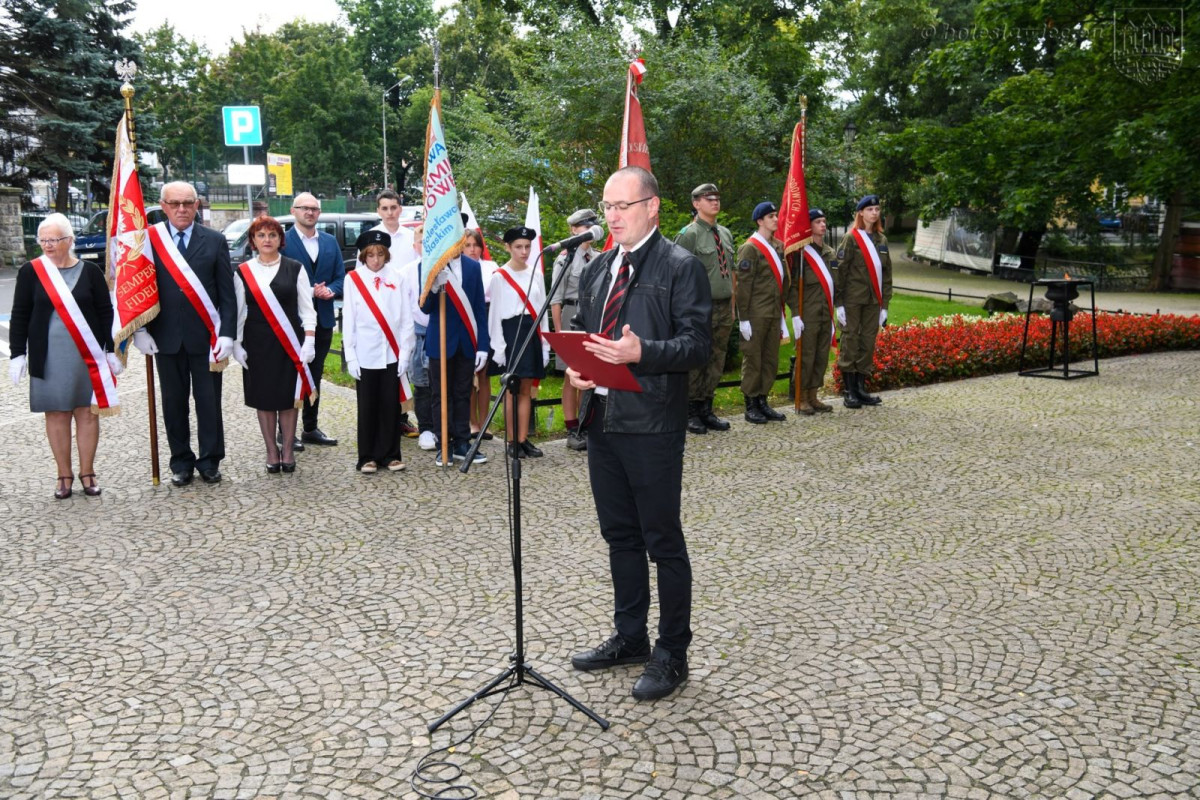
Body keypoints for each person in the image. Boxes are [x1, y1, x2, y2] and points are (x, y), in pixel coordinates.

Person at [566, 166, 711, 701]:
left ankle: (673, 652)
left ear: (653, 207)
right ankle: (631, 637)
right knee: (618, 538)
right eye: (607, 206)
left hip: (652, 424)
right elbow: (586, 336)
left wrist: (642, 352)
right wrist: (577, 368)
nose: (613, 216)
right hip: (601, 421)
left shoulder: (680, 266)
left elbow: (697, 347)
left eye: (623, 206)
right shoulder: (599, 267)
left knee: (662, 542)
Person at [9, 214, 121, 498]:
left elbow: (105, 312)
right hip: (48, 355)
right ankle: (63, 475)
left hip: (86, 355)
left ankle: (87, 472)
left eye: (54, 240)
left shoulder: (90, 271)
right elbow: (20, 313)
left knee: (86, 412)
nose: (47, 245)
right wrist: (17, 353)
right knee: (57, 413)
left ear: (69, 241)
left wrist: (110, 349)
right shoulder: (30, 271)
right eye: (43, 240)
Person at [136, 181, 236, 487]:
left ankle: (210, 460)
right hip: (164, 338)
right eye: (175, 203)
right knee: (173, 403)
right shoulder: (148, 240)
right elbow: (138, 288)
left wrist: (227, 334)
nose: (182, 209)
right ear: (163, 206)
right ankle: (180, 461)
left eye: (188, 203)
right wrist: (140, 329)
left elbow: (226, 293)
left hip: (206, 337)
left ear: (197, 205)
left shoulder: (215, 240)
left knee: (209, 402)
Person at [231, 216, 317, 473]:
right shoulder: (242, 271)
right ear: (253, 241)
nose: (267, 240)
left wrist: (309, 341)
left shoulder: (295, 268)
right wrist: (236, 343)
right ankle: (271, 450)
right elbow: (238, 311)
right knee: (265, 400)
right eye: (261, 235)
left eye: (272, 235)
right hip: (257, 345)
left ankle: (288, 449)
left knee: (289, 399)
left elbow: (307, 310)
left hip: (290, 343)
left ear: (281, 240)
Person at [343, 229, 415, 474]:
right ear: (364, 256)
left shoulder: (397, 277)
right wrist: (350, 355)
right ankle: (367, 456)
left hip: (392, 353)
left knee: (390, 406)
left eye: (380, 254)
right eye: (371, 255)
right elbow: (349, 320)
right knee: (367, 406)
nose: (376, 259)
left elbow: (406, 318)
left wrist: (405, 353)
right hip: (365, 352)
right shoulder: (353, 279)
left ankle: (391, 455)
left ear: (387, 255)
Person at [281, 192, 343, 447]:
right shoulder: (282, 241)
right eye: (304, 208)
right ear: (293, 211)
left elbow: (340, 276)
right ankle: (286, 432)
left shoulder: (329, 242)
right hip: (291, 321)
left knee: (314, 375)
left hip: (324, 320)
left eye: (314, 209)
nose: (309, 212)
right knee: (288, 375)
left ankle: (310, 427)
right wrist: (307, 291)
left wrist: (331, 291)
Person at [419, 246, 491, 466]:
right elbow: (425, 307)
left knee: (462, 393)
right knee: (440, 395)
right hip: (440, 341)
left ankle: (462, 443)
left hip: (467, 341)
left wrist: (483, 345)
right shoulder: (431, 264)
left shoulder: (473, 266)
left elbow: (479, 306)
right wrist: (433, 289)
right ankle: (444, 445)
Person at [674, 183, 734, 435]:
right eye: (708, 199)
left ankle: (706, 408)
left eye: (717, 198)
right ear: (696, 204)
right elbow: (676, 273)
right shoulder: (689, 234)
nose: (715, 202)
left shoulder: (725, 233)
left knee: (716, 358)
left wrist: (733, 306)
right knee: (697, 359)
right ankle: (690, 411)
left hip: (723, 306)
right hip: (698, 308)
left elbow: (730, 272)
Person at [359, 190, 418, 438]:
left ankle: (401, 417)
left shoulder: (409, 237)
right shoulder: (371, 237)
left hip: (406, 307)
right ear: (378, 211)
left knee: (402, 366)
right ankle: (382, 418)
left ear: (400, 209)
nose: (390, 212)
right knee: (382, 365)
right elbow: (361, 275)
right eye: (385, 208)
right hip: (378, 311)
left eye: (394, 207)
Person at [488, 226, 550, 459]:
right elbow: (495, 315)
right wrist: (499, 347)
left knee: (526, 388)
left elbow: (542, 310)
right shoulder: (500, 277)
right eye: (518, 247)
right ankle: (512, 441)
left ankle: (524, 439)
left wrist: (545, 344)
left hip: (531, 332)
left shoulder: (536, 274)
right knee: (511, 390)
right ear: (508, 247)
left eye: (527, 246)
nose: (524, 251)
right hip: (510, 333)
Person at [549, 208, 601, 451]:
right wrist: (559, 335)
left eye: (592, 224)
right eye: (583, 225)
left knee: (589, 375)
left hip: (592, 316)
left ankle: (585, 424)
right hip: (571, 314)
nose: (589, 228)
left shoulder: (598, 256)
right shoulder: (565, 258)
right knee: (572, 376)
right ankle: (572, 428)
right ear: (573, 230)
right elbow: (556, 299)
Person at [835, 195, 893, 408]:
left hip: (873, 301)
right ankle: (849, 390)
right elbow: (840, 271)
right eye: (870, 209)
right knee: (850, 341)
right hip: (852, 300)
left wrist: (884, 305)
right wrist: (838, 303)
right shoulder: (851, 238)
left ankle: (860, 388)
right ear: (861, 213)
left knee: (867, 343)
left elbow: (887, 275)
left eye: (877, 209)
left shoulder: (882, 240)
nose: (874, 213)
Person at [734, 201, 789, 424]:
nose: (776, 219)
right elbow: (743, 287)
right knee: (753, 359)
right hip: (756, 314)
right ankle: (751, 404)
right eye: (771, 216)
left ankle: (763, 401)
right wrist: (743, 318)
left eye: (776, 215)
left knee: (770, 360)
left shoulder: (778, 246)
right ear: (760, 221)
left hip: (774, 312)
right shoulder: (750, 248)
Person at [789, 208, 836, 414]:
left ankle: (814, 395)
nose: (823, 225)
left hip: (826, 312)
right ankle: (801, 398)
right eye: (818, 222)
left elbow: (836, 282)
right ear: (809, 227)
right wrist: (796, 313)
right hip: (808, 312)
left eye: (824, 221)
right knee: (806, 356)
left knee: (821, 355)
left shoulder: (829, 252)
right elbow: (791, 286)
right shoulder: (801, 254)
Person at [463, 225, 500, 443]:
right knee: (468, 374)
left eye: (476, 245)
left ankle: (485, 422)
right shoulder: (459, 267)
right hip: (467, 318)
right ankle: (471, 422)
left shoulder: (490, 267)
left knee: (484, 375)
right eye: (467, 245)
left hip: (487, 317)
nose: (472, 249)